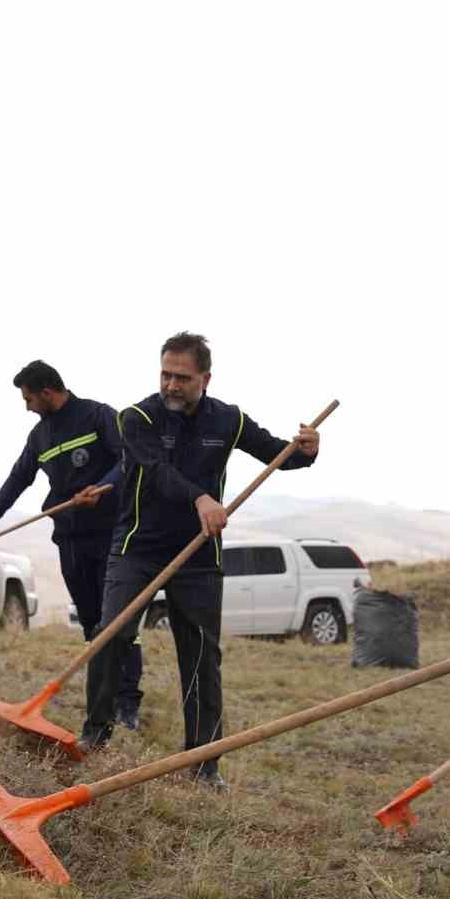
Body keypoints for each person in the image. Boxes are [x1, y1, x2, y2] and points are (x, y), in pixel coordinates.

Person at [85, 332, 320, 787]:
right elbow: (155, 472)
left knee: (200, 657)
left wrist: (306, 451)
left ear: (205, 379)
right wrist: (201, 498)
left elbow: (276, 454)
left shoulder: (228, 420)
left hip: (198, 555)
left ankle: (204, 763)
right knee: (110, 635)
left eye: (182, 377)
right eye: (165, 374)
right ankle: (95, 736)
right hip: (138, 548)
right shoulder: (135, 417)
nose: (171, 385)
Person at [0, 360, 146, 730]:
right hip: (70, 540)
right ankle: (104, 700)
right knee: (92, 623)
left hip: (112, 535)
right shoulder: (39, 437)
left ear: (47, 392)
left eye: (29, 398)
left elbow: (130, 458)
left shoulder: (98, 416)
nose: (27, 406)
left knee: (118, 622)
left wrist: (104, 486)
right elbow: (18, 479)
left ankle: (128, 704)